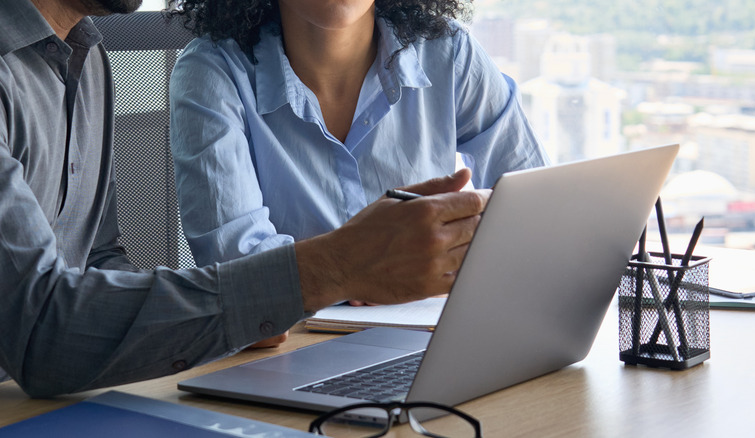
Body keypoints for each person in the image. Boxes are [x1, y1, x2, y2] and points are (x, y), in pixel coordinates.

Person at [0, 0, 490, 397]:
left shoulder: (87, 59)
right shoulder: (209, 69)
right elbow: (40, 335)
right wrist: (335, 266)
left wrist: (222, 315)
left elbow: (99, 260)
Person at [167, 0, 548, 270]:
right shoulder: (210, 73)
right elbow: (241, 279)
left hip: (428, 335)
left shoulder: (448, 51)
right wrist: (358, 271)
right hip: (288, 357)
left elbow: (535, 211)